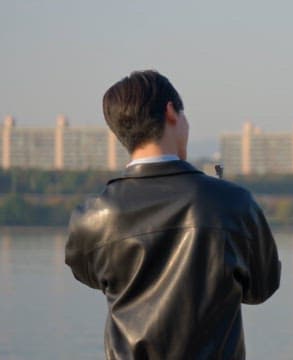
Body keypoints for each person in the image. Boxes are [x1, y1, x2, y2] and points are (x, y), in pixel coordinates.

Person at [65, 70, 281, 359]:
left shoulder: (92, 217)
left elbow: (91, 275)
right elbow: (261, 288)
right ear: (171, 112)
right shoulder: (232, 202)